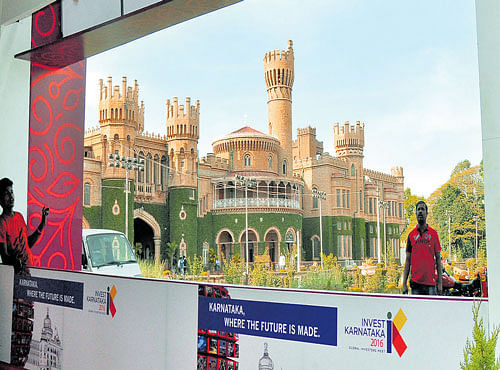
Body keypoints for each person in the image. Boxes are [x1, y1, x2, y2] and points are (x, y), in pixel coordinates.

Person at [0, 178, 49, 275]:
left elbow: (28, 244)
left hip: (31, 269)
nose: (11, 197)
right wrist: (15, 261)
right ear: (0, 199)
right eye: (7, 194)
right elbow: (5, 257)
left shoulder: (19, 216)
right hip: (18, 274)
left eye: (12, 192)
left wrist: (42, 223)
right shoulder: (1, 222)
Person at [402, 200, 443, 295]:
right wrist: (404, 284)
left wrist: (440, 283)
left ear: (427, 213)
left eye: (423, 209)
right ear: (416, 213)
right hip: (415, 284)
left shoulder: (434, 234)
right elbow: (408, 261)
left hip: (430, 284)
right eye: (418, 209)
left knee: (431, 310)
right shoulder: (411, 235)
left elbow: (438, 259)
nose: (420, 211)